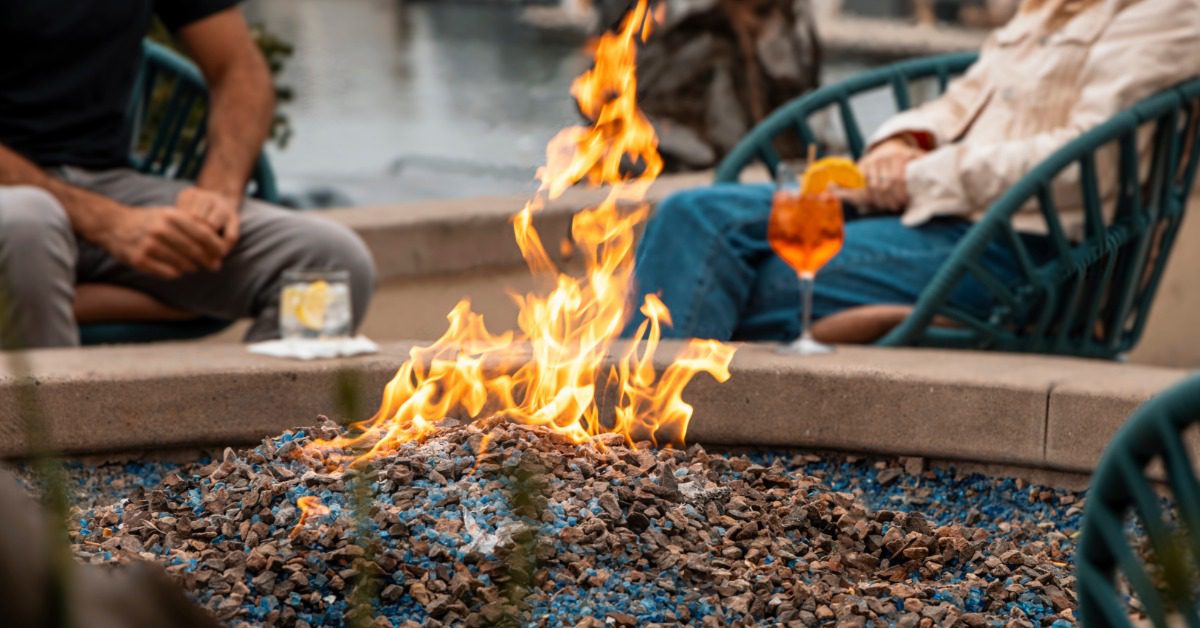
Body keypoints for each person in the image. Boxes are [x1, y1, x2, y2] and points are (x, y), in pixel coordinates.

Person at [625, 0, 1200, 343]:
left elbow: (1090, 163)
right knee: (691, 212)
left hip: (1025, 256)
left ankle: (641, 461)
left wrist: (919, 178)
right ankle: (640, 444)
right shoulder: (1052, 7)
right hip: (945, 222)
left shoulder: (1165, 13)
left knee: (742, 278)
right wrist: (903, 141)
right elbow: (960, 102)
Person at [0, 1, 377, 349]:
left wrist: (218, 194)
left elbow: (238, 68)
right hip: (18, 206)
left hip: (111, 187)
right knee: (28, 223)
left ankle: (264, 423)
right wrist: (108, 223)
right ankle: (46, 423)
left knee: (332, 264)